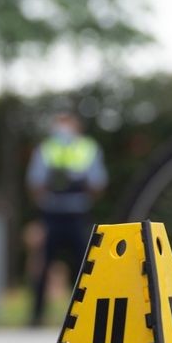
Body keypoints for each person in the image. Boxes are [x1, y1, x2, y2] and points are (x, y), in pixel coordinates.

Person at [26, 112, 107, 326]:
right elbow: (35, 183)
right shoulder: (46, 149)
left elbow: (98, 183)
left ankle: (88, 316)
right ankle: (36, 315)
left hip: (78, 214)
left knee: (86, 267)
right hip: (51, 215)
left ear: (77, 127)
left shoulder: (88, 149)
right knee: (42, 266)